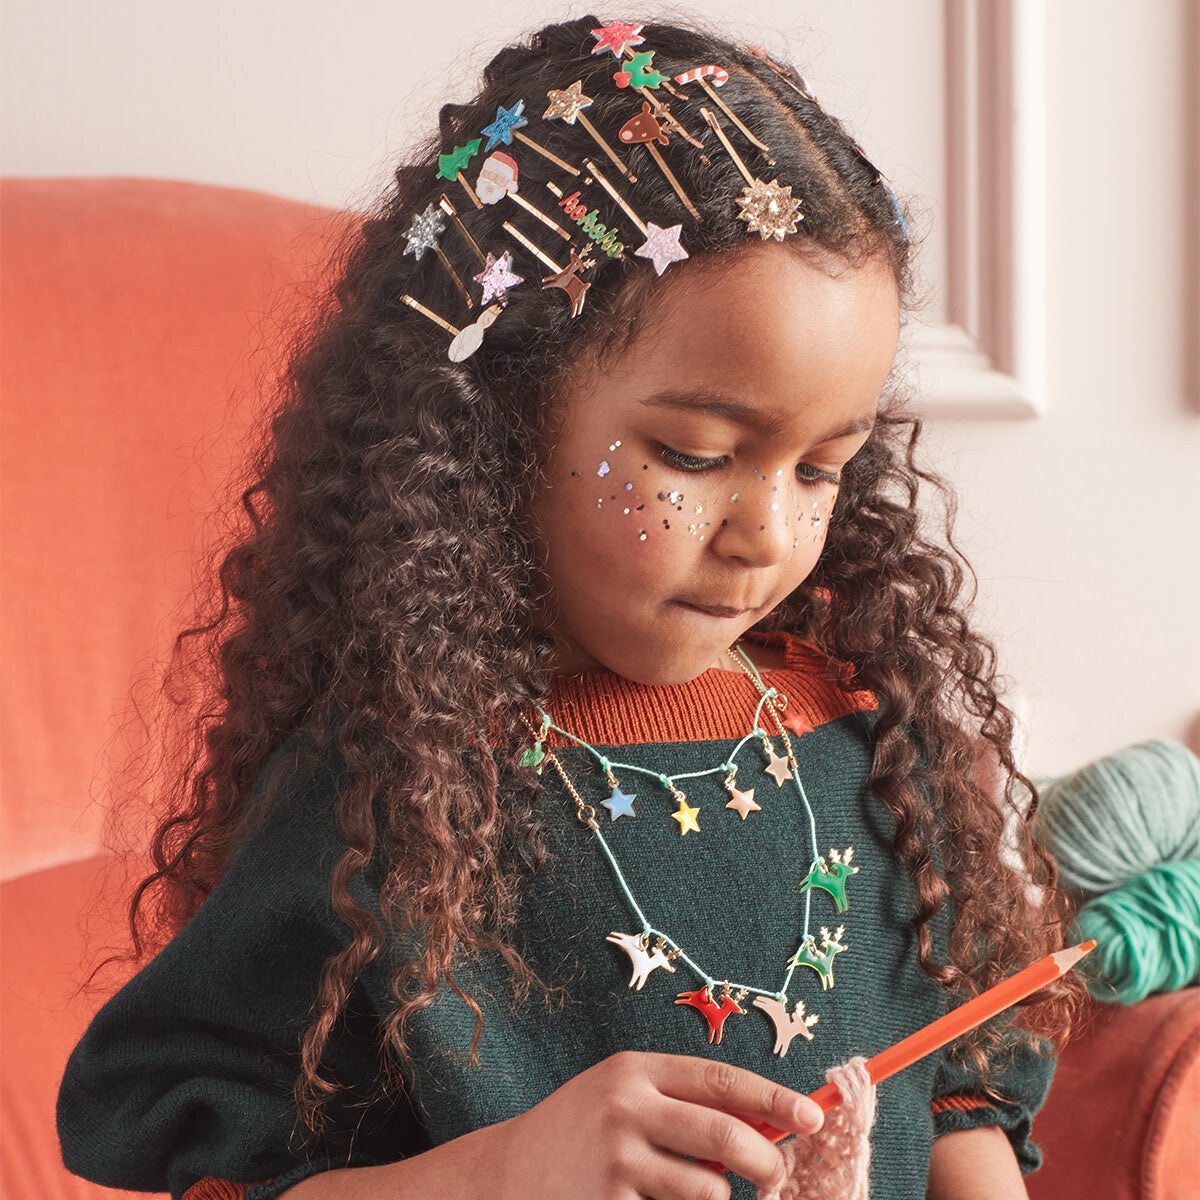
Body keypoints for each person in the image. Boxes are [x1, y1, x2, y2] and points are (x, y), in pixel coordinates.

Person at [56, 15, 1081, 1200]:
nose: (768, 534)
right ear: (500, 426)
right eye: (694, 457)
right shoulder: (395, 789)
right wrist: (506, 1168)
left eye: (819, 468)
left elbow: (962, 1097)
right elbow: (217, 1163)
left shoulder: (865, 741)